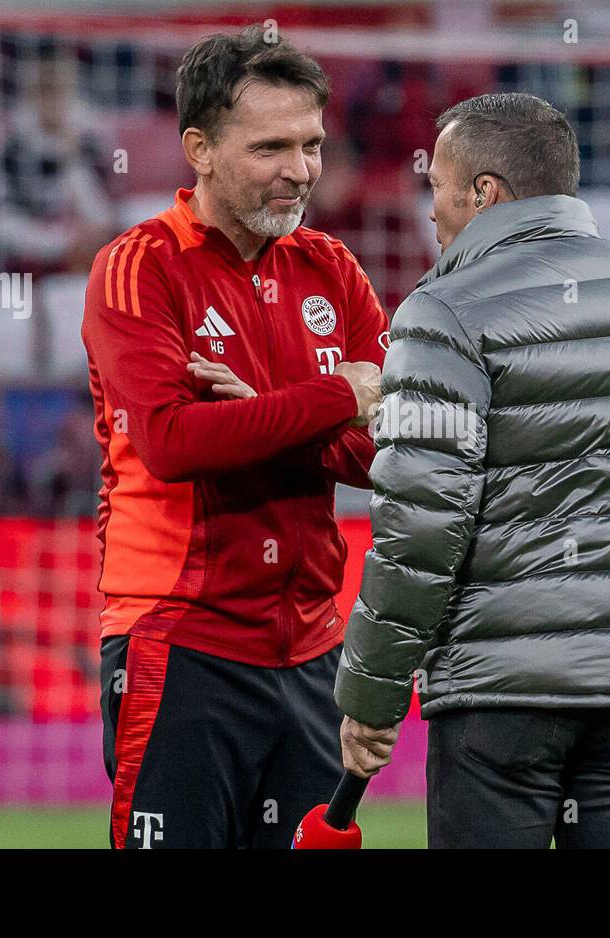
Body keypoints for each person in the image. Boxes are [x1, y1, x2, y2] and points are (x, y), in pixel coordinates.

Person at [335, 93, 610, 848]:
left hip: (502, 700)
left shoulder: (442, 312)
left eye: (436, 187)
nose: (428, 211)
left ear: (485, 192)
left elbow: (422, 526)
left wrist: (369, 695)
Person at [82, 26, 386, 849]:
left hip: (313, 648)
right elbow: (176, 444)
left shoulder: (333, 268)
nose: (301, 170)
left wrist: (259, 411)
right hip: (182, 639)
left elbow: (387, 455)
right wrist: (332, 398)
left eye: (313, 144)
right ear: (199, 149)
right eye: (271, 147)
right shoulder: (139, 268)